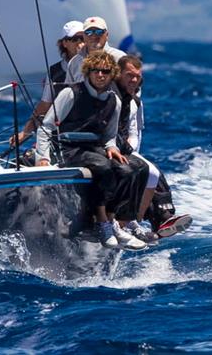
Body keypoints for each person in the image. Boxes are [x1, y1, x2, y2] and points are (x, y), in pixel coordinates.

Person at [35, 51, 146, 250]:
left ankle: (113, 221)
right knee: (103, 167)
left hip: (95, 148)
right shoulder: (71, 93)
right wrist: (42, 158)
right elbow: (47, 127)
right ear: (88, 72)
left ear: (111, 74)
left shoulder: (115, 100)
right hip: (69, 149)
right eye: (96, 71)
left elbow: (110, 135)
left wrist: (112, 147)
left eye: (105, 71)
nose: (101, 75)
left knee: (132, 168)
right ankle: (102, 223)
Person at [114, 56, 193, 240]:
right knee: (144, 173)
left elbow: (134, 132)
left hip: (123, 148)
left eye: (137, 76)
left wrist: (129, 149)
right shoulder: (111, 96)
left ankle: (156, 219)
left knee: (153, 173)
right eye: (129, 75)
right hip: (106, 147)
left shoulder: (134, 102)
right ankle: (130, 220)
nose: (134, 80)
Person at [10, 20, 84, 147]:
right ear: (65, 43)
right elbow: (45, 104)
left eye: (83, 38)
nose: (80, 42)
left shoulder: (95, 66)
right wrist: (25, 133)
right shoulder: (55, 71)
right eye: (75, 39)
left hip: (87, 125)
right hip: (63, 128)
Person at [65, 16, 126, 85]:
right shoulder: (74, 63)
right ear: (84, 36)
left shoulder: (120, 58)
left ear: (107, 35)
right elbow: (69, 89)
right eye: (89, 32)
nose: (94, 36)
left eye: (99, 32)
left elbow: (132, 88)